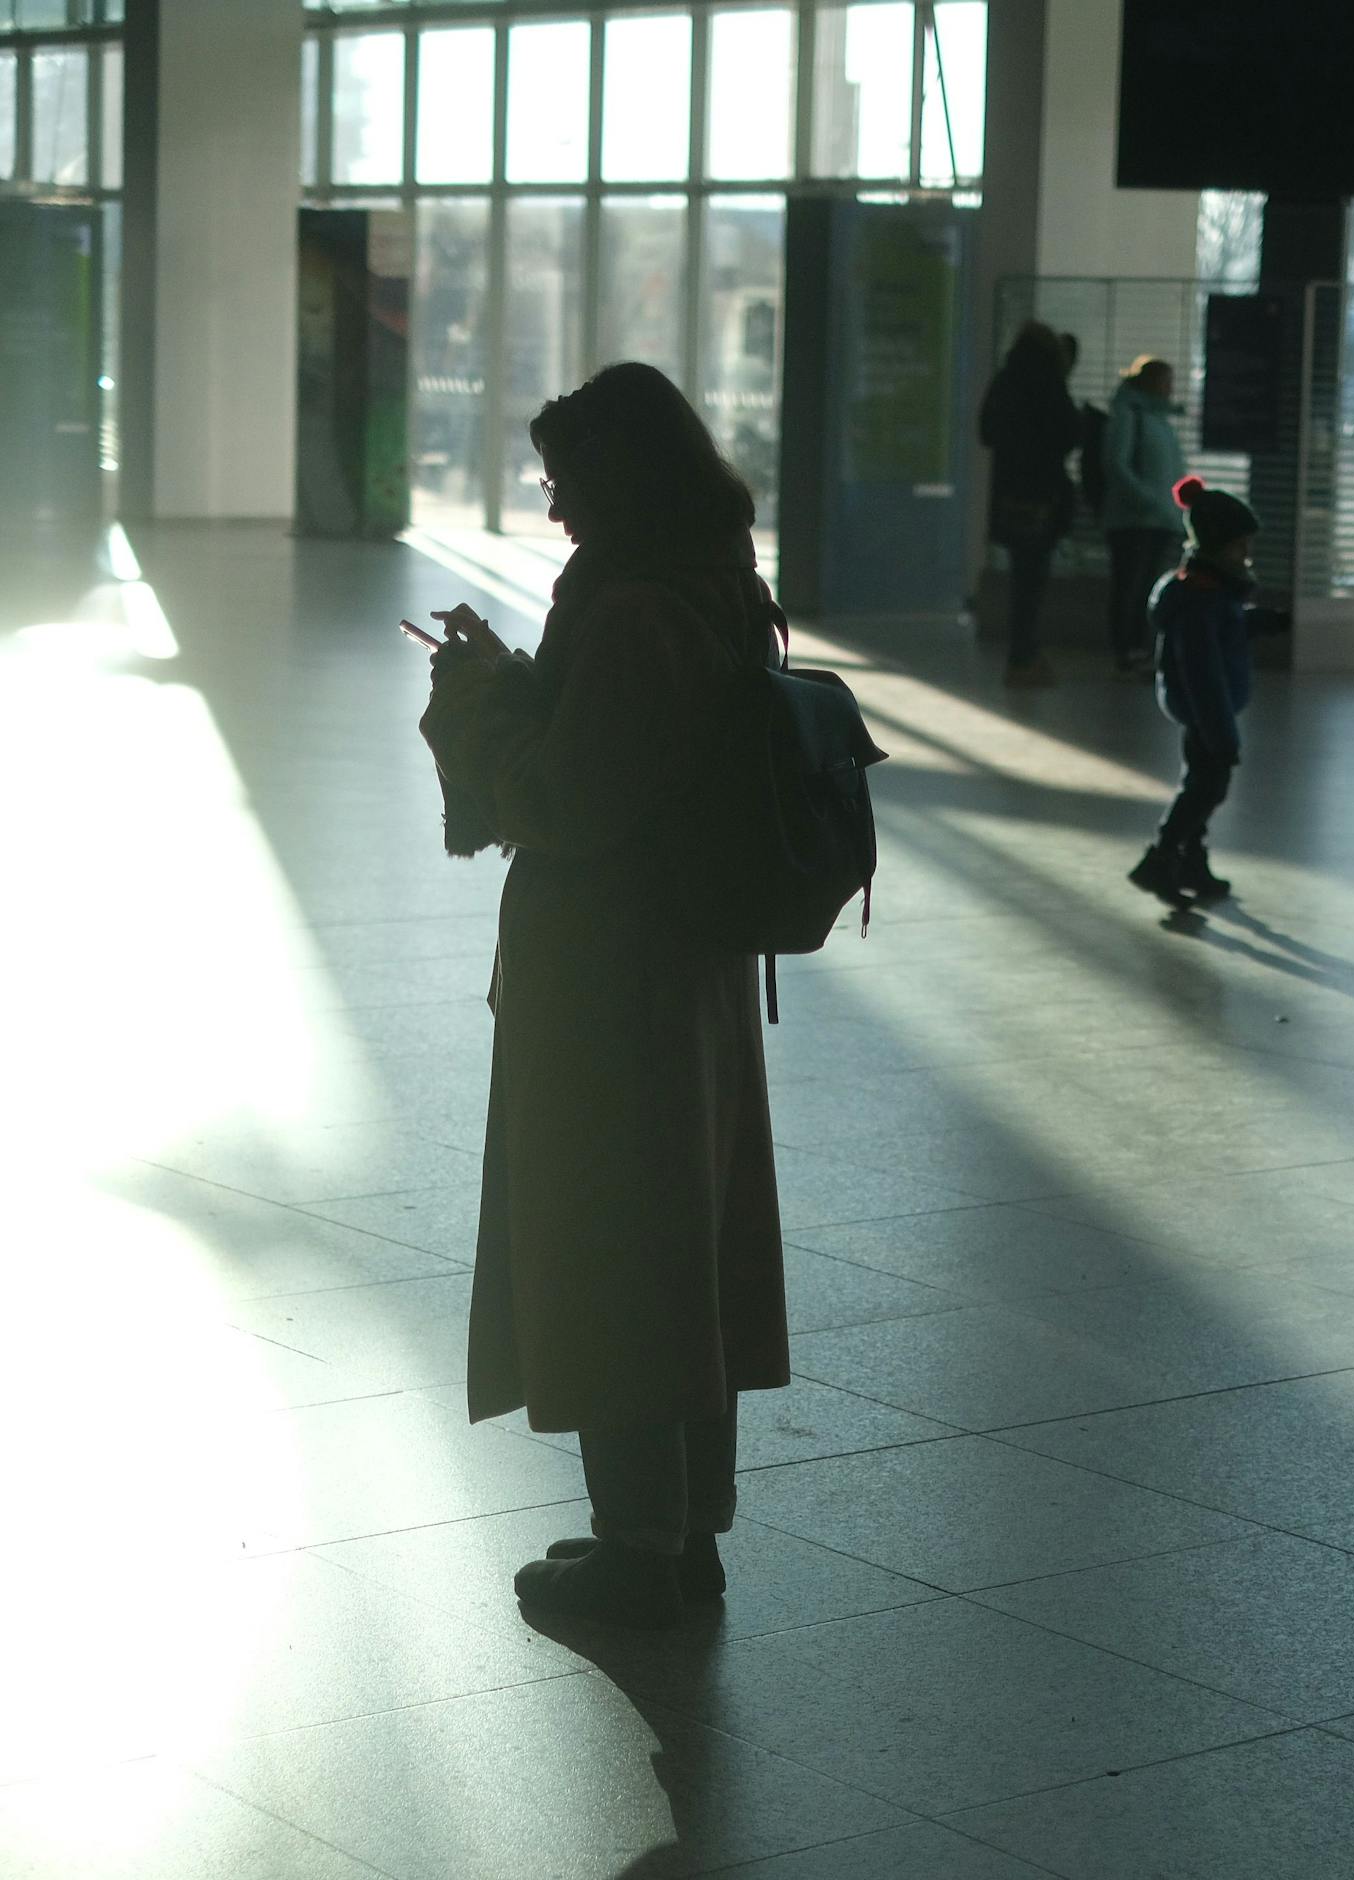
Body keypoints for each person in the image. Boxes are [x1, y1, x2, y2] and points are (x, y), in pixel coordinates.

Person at [418, 362, 790, 1629]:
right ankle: (683, 1529)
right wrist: (525, 679)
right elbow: (628, 751)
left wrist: (475, 708)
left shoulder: (633, 609)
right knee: (680, 1244)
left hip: (608, 975)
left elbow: (571, 802)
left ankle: (642, 1550)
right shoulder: (710, 579)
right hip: (687, 962)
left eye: (568, 477)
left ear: (621, 476)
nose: (554, 500)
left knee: (613, 1244)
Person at [1128, 475, 1261, 905]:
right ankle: (1162, 858)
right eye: (1239, 546)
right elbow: (1204, 675)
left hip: (1203, 711)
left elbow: (1225, 633)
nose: (1247, 556)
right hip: (1208, 713)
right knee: (1206, 787)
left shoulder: (1208, 592)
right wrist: (1222, 734)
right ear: (1218, 548)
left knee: (1201, 783)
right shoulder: (1200, 601)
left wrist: (1258, 621)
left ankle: (1189, 860)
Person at [979, 322, 1081, 686]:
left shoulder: (1005, 380)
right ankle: (1023, 657)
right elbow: (1069, 432)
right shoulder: (1048, 382)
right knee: (1032, 582)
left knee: (1022, 578)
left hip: (1008, 494)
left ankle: (1023, 655)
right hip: (1042, 494)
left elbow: (986, 431)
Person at [1102, 355, 1187, 678]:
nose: (1170, 389)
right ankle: (1126, 650)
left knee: (1147, 588)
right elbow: (1117, 465)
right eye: (1165, 381)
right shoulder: (1128, 416)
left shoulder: (1159, 420)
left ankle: (1141, 648)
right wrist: (1149, 499)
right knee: (1129, 587)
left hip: (1160, 520)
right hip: (1132, 521)